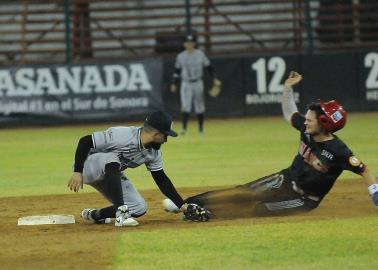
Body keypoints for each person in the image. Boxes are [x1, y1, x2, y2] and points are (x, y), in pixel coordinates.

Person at [166, 71, 378, 217]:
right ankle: (186, 203)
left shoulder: (338, 151)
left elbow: (363, 169)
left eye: (310, 118)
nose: (305, 120)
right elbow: (290, 113)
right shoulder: (306, 129)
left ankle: (205, 215)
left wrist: (375, 194)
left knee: (259, 209)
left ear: (324, 124)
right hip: (285, 178)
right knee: (243, 192)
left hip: (305, 200)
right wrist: (287, 88)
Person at [67, 111, 210, 226]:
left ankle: (95, 215)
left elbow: (161, 179)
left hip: (111, 174)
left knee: (139, 207)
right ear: (157, 134)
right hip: (87, 166)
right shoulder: (122, 135)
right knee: (111, 158)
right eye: (166, 135)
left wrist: (182, 206)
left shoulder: (154, 153)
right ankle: (121, 214)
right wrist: (77, 171)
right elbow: (85, 141)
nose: (166, 139)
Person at [170, 34, 221, 135]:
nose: (189, 44)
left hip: (198, 82)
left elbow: (209, 67)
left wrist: (214, 78)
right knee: (185, 105)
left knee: (199, 105)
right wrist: (174, 83)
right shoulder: (181, 56)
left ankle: (201, 129)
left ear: (194, 43)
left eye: (191, 42)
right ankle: (184, 129)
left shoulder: (200, 54)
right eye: (187, 43)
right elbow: (177, 71)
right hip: (186, 83)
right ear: (184, 44)